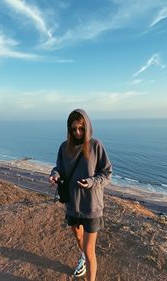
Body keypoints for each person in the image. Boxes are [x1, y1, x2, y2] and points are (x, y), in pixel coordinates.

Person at [49, 109, 112, 281]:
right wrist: (55, 175)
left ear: (87, 127)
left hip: (91, 207)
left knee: (90, 250)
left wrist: (91, 182)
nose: (77, 132)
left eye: (81, 128)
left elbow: (107, 173)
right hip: (72, 205)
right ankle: (82, 257)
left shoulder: (96, 145)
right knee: (79, 238)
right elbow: (59, 168)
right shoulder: (64, 147)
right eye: (74, 129)